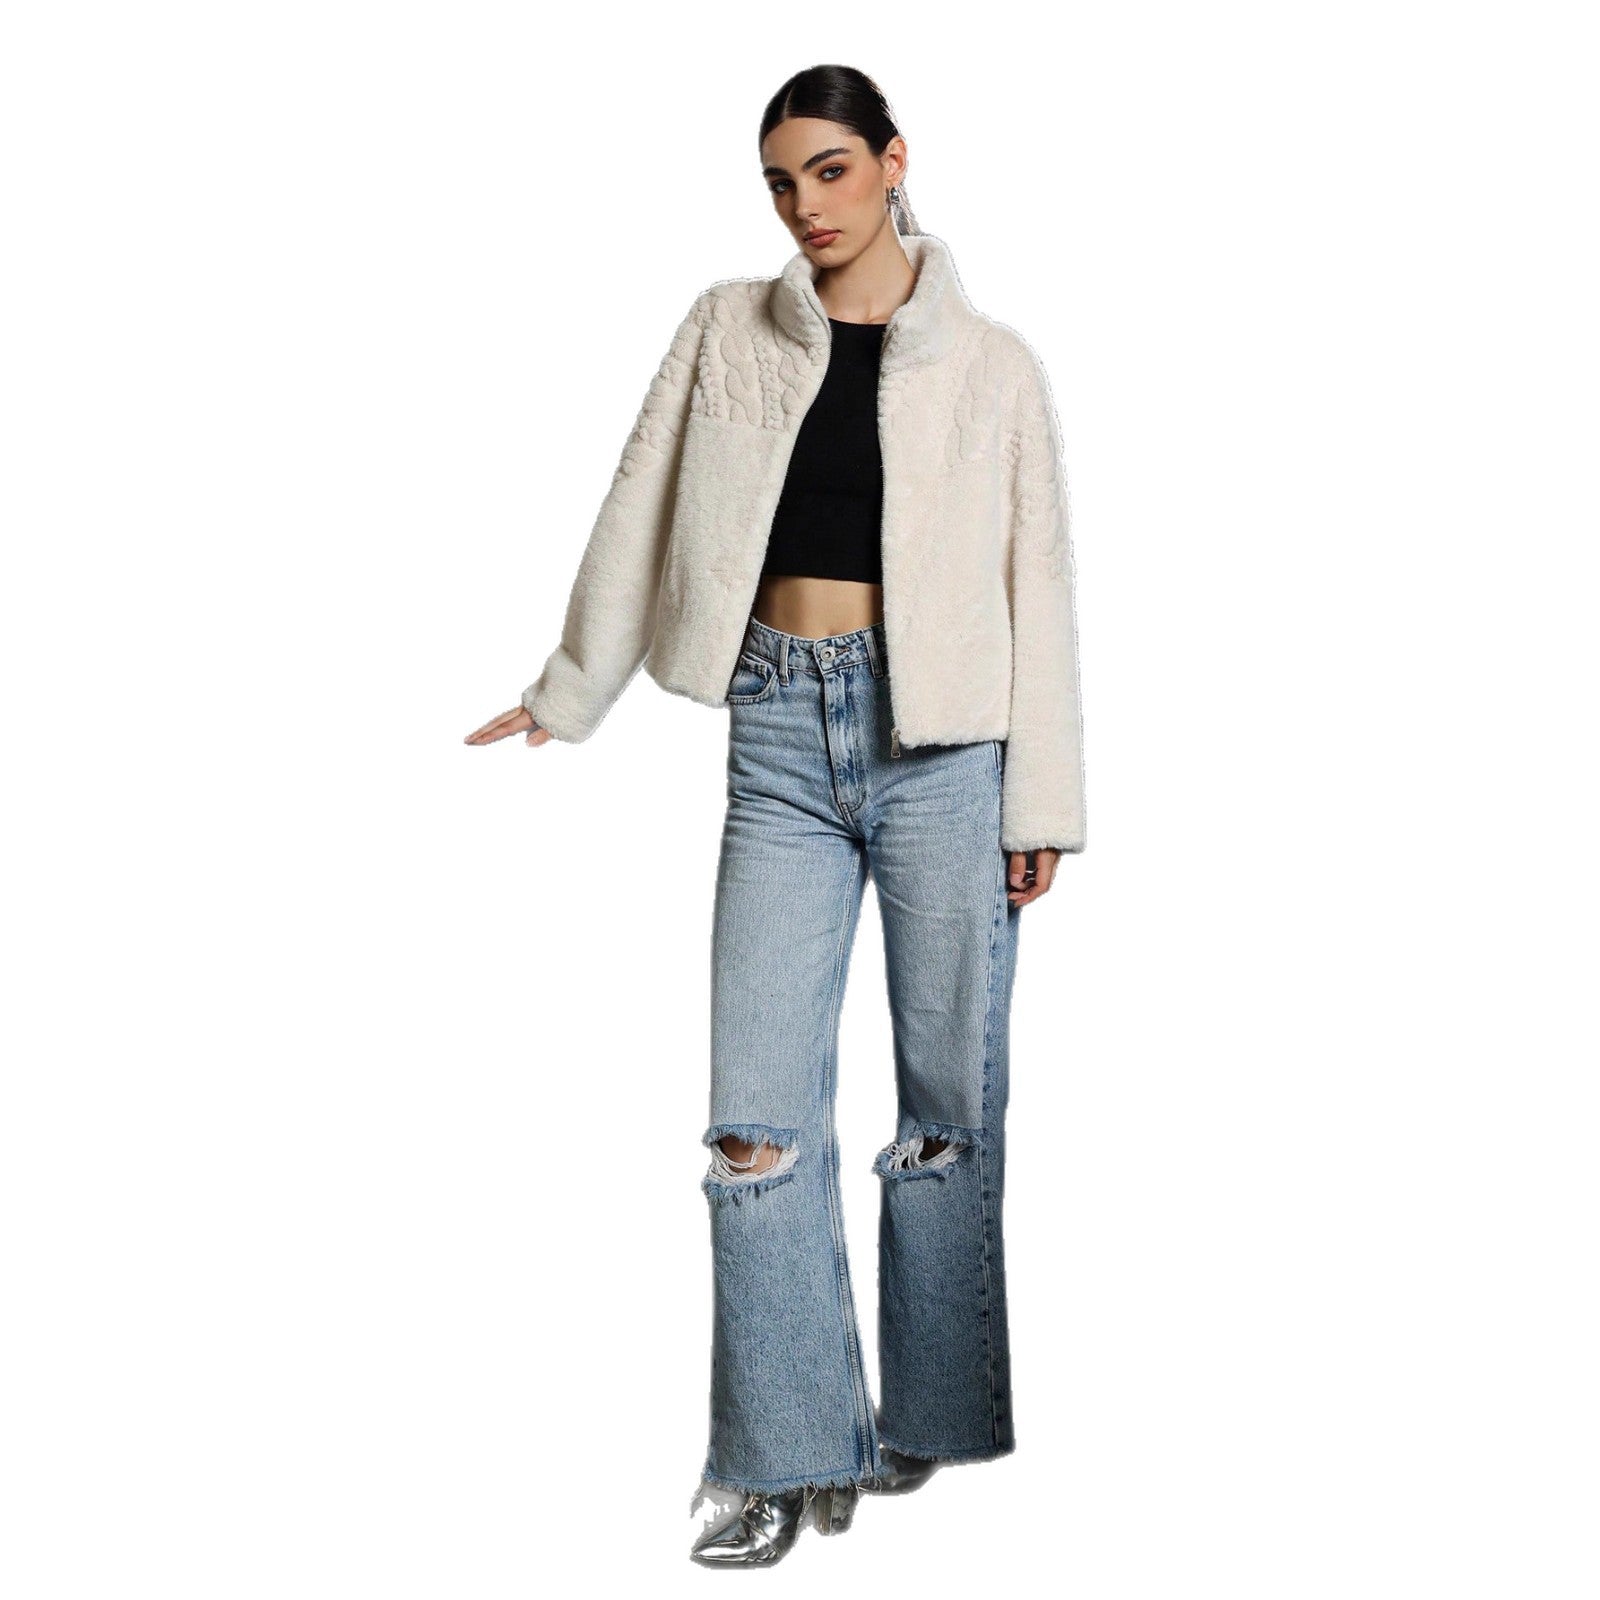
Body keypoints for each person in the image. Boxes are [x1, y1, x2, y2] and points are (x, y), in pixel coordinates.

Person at [465, 64, 1086, 1567]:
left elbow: (1040, 581)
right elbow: (640, 501)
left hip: (947, 750)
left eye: (830, 170)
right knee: (754, 1120)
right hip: (778, 737)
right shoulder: (723, 328)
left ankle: (928, 1412)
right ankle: (779, 1449)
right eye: (781, 183)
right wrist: (569, 687)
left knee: (948, 1109)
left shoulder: (994, 364)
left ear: (893, 162)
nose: (806, 206)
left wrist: (1044, 801)